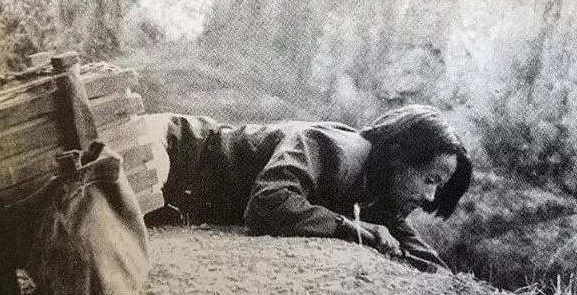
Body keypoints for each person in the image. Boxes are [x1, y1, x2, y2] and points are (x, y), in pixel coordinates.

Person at [144, 105, 472, 273]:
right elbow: (268, 202)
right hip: (166, 147)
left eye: (438, 187)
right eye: (430, 180)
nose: (430, 197)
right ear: (400, 156)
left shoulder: (379, 189)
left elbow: (420, 255)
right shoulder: (331, 147)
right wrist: (352, 227)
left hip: (174, 196)